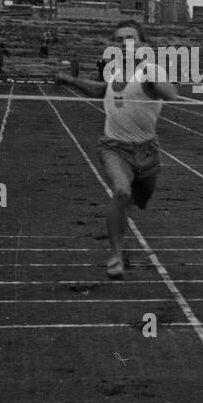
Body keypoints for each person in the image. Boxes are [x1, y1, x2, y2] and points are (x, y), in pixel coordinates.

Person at [51, 20, 181, 279]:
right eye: (118, 39)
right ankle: (116, 254)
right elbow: (104, 91)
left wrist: (152, 78)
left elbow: (170, 94)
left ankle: (122, 219)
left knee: (140, 200)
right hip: (113, 147)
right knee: (121, 191)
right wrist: (70, 80)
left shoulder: (151, 70)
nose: (124, 43)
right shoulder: (114, 72)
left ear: (143, 44)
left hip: (147, 151)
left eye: (130, 38)